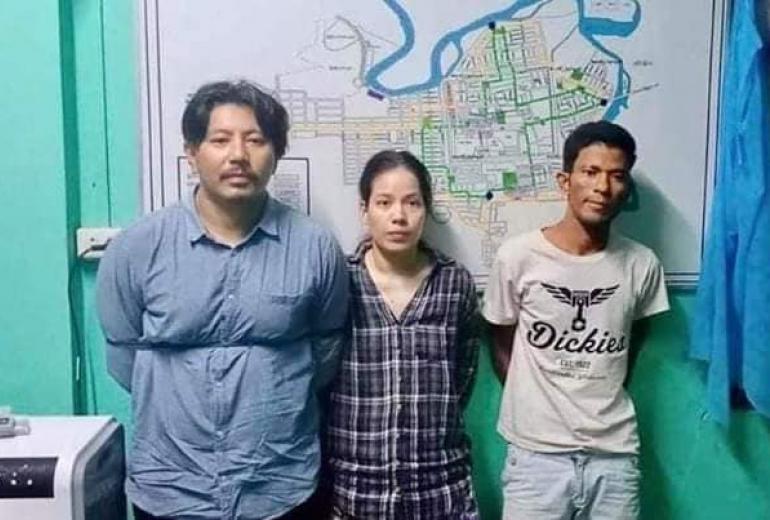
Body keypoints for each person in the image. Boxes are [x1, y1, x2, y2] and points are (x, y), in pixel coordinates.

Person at [96, 80, 349, 520]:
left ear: (276, 154)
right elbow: (123, 355)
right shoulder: (137, 247)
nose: (238, 155)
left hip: (281, 486)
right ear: (191, 152)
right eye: (219, 140)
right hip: (170, 487)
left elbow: (325, 353)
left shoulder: (315, 247)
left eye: (255, 140)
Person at [482, 121, 669, 520]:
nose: (603, 187)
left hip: (614, 458)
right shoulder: (517, 257)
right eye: (590, 172)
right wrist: (534, 398)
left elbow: (632, 341)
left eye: (617, 176)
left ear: (627, 187)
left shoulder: (642, 265)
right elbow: (499, 336)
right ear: (564, 181)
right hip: (536, 460)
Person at [324, 150, 481, 519]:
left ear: (426, 210)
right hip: (357, 493)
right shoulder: (340, 280)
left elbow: (463, 374)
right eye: (384, 202)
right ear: (364, 210)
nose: (399, 216)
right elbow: (321, 371)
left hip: (441, 489)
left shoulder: (454, 281)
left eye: (412, 203)